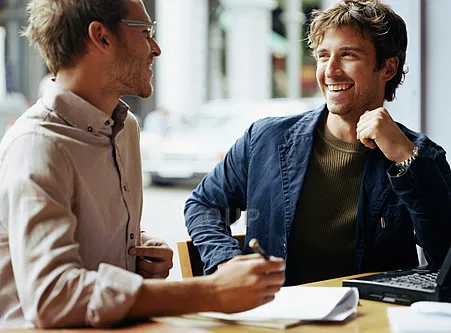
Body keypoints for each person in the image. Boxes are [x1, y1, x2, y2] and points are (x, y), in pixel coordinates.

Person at [0, 0, 285, 329]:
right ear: (101, 37)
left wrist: (136, 250)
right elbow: (54, 297)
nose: (157, 48)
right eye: (146, 32)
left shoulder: (125, 127)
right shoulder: (37, 144)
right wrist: (212, 291)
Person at [185, 0, 451, 287]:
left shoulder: (421, 156)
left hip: (371, 319)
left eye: (348, 55)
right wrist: (226, 261)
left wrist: (403, 157)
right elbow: (204, 205)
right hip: (277, 317)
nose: (330, 71)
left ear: (387, 68)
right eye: (324, 56)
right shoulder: (265, 139)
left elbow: (444, 254)